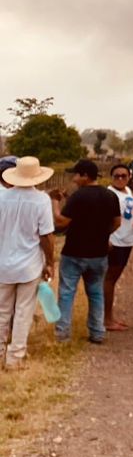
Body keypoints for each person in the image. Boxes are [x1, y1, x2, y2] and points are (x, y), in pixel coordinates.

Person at [51, 159, 120, 344]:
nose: (74, 179)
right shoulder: (110, 195)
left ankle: (62, 334)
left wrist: (55, 202)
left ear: (85, 176)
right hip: (98, 253)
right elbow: (117, 222)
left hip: (74, 252)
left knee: (66, 293)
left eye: (76, 175)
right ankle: (97, 331)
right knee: (96, 292)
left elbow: (61, 222)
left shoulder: (79, 197)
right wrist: (103, 235)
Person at [0, 156, 56, 370]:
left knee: (2, 311)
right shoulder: (41, 200)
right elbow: (47, 236)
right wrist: (50, 262)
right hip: (29, 265)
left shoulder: (2, 198)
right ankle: (15, 358)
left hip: (3, 263)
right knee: (23, 311)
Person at [105, 162, 133, 331]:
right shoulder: (109, 194)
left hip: (128, 240)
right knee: (109, 280)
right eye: (116, 176)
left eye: (124, 176)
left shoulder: (128, 192)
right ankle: (107, 318)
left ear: (129, 177)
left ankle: (109, 317)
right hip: (116, 241)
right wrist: (107, 238)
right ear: (111, 178)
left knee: (114, 279)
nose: (120, 179)